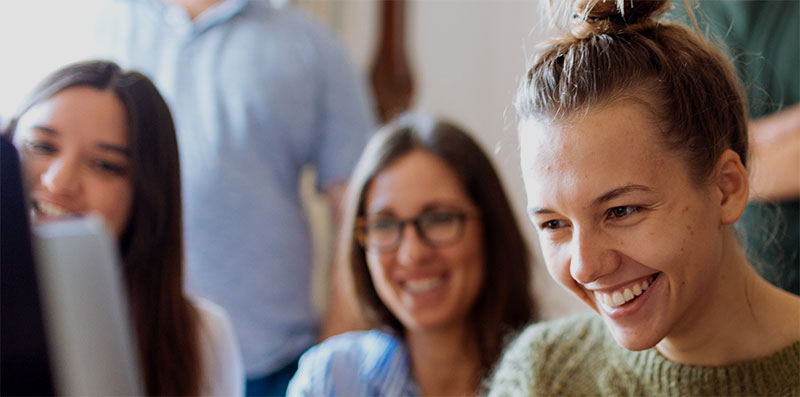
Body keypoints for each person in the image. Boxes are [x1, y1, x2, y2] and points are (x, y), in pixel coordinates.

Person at [487, 0, 800, 395]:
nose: (584, 267)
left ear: (726, 189)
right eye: (554, 224)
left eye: (620, 210)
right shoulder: (542, 377)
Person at [92, 0, 376, 394]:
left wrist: (330, 362)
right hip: (126, 353)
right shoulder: (103, 26)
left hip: (271, 365)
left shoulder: (312, 46)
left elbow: (361, 215)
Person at [3, 60, 243, 396]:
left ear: (147, 195)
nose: (59, 181)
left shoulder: (201, 336)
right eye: (42, 146)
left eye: (104, 165)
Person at [286, 114, 536, 396]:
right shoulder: (332, 380)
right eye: (384, 224)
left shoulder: (551, 374)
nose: (411, 254)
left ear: (491, 229)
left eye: (439, 219)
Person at [673, 0, 799, 296]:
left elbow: (691, 163)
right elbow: (671, 162)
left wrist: (736, 147)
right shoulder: (671, 14)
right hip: (738, 288)